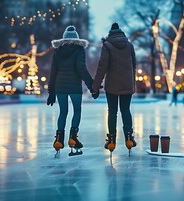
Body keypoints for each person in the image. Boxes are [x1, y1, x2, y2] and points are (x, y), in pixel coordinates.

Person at [47, 25, 95, 157]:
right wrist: (91, 85)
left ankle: (58, 139)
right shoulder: (79, 49)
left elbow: (53, 72)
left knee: (63, 111)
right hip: (74, 86)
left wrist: (51, 92)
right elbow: (81, 68)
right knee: (77, 110)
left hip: (60, 86)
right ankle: (73, 137)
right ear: (77, 38)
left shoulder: (58, 50)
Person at [92, 22, 137, 156]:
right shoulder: (129, 45)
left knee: (112, 112)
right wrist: (131, 82)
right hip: (127, 85)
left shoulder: (107, 45)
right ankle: (129, 137)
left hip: (112, 85)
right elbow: (134, 65)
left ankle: (111, 140)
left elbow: (102, 66)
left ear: (110, 33)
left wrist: (95, 87)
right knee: (125, 110)